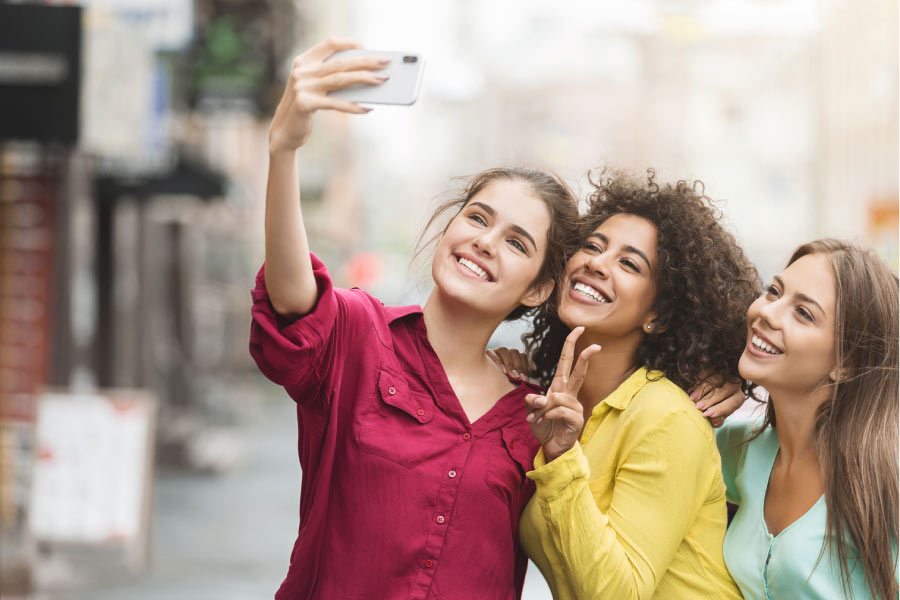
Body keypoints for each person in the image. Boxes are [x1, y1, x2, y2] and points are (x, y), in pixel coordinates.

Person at [249, 37, 583, 599]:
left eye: (517, 243)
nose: (484, 242)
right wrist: (284, 151)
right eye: (478, 217)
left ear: (539, 289)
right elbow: (291, 298)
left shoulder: (536, 415)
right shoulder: (357, 333)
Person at [517, 169, 761, 599]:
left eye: (628, 263)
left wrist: (561, 459)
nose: (596, 262)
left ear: (659, 317)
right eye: (592, 246)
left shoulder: (666, 417)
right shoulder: (563, 404)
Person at [716, 239, 899, 599]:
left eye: (803, 313)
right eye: (773, 291)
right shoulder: (738, 448)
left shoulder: (884, 483)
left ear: (845, 364)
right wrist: (717, 374)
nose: (767, 313)